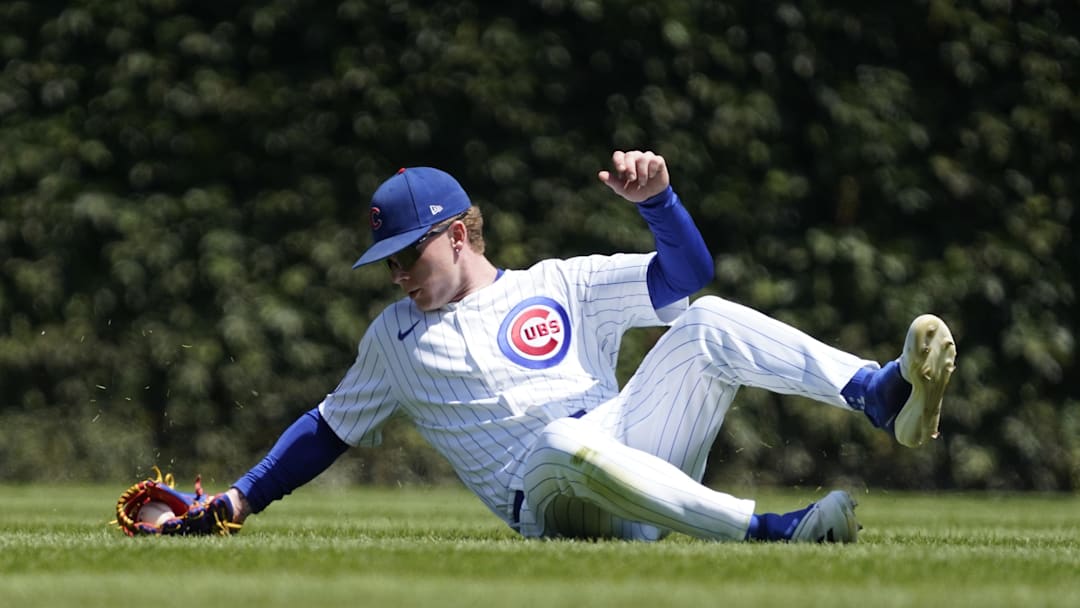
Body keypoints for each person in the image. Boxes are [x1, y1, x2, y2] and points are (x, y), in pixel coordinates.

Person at [216, 150, 956, 542]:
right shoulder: (393, 339)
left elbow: (687, 274)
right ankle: (765, 531)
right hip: (546, 493)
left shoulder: (563, 282)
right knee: (563, 442)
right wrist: (241, 496)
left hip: (636, 461)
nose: (400, 273)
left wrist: (659, 205)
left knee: (706, 320)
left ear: (457, 234)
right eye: (390, 262)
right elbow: (326, 428)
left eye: (411, 254)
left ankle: (878, 393)